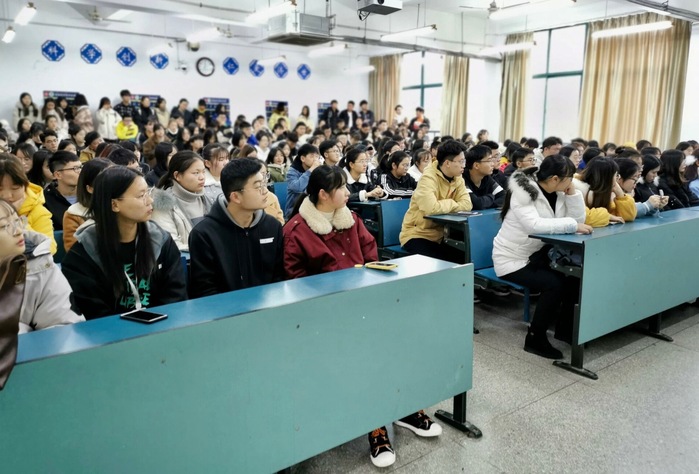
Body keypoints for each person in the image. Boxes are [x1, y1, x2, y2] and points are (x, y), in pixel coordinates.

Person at [284, 165, 440, 467]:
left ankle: (405, 405)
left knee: (404, 339)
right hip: (324, 317)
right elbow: (295, 284)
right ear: (323, 194)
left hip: (363, 306)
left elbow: (371, 256)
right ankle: (375, 423)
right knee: (368, 354)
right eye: (342, 188)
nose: (348, 192)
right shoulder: (297, 230)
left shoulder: (351, 219)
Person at [493, 155, 592, 359]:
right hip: (512, 259)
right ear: (555, 179)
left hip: (539, 255)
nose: (571, 182)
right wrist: (573, 225)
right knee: (554, 284)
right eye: (569, 179)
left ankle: (565, 330)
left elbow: (578, 220)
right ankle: (535, 338)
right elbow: (534, 226)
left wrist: (573, 195)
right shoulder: (523, 193)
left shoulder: (560, 192)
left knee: (574, 276)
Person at [61, 166, 186, 319]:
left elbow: (176, 295)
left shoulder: (160, 239)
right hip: (111, 331)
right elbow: (93, 312)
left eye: (148, 193)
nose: (150, 201)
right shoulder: (82, 255)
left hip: (162, 325)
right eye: (141, 196)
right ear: (114, 204)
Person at [189, 158, 284, 298]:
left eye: (265, 183)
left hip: (268, 304)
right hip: (225, 308)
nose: (265, 191)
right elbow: (205, 290)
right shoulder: (204, 234)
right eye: (258, 186)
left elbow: (279, 277)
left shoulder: (272, 226)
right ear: (236, 197)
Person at [0, 198, 84, 333]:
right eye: (5, 226)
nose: (19, 231)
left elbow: (63, 328)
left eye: (17, 221)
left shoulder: (41, 267)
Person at [400, 140, 472, 262]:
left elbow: (467, 204)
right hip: (417, 235)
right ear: (447, 163)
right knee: (440, 263)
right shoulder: (428, 178)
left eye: (464, 161)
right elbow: (431, 208)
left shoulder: (458, 177)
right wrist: (452, 202)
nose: (464, 165)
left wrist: (444, 205)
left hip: (442, 236)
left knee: (466, 258)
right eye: (461, 161)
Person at [151, 151, 212, 251]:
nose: (202, 177)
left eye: (203, 172)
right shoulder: (163, 204)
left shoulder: (207, 200)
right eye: (196, 173)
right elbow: (170, 245)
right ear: (177, 176)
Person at [0, 153, 56, 254]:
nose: (7, 196)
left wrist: (16, 217)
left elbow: (49, 248)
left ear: (25, 186)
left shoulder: (38, 212)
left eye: (15, 188)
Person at [63, 158, 112, 252]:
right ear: (90, 188)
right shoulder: (74, 214)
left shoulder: (124, 207)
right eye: (105, 181)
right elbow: (74, 252)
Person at [573, 157, 637, 226]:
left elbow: (628, 216)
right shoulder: (576, 190)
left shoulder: (601, 192)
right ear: (607, 178)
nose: (617, 179)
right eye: (616, 175)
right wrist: (608, 216)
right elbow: (583, 217)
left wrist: (620, 194)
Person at [43, 151, 82, 230]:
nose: (80, 172)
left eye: (80, 167)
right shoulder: (45, 200)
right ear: (58, 175)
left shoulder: (90, 193)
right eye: (75, 168)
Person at [284, 143, 321, 220]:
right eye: (312, 156)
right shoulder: (292, 172)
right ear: (303, 158)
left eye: (317, 156)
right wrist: (310, 170)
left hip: (313, 208)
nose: (315, 159)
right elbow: (298, 188)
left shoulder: (317, 170)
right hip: (294, 210)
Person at [462, 145, 505, 210]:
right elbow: (476, 203)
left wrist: (487, 203)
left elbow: (504, 197)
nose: (492, 164)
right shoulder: (462, 179)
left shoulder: (487, 178)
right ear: (476, 165)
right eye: (489, 161)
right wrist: (491, 196)